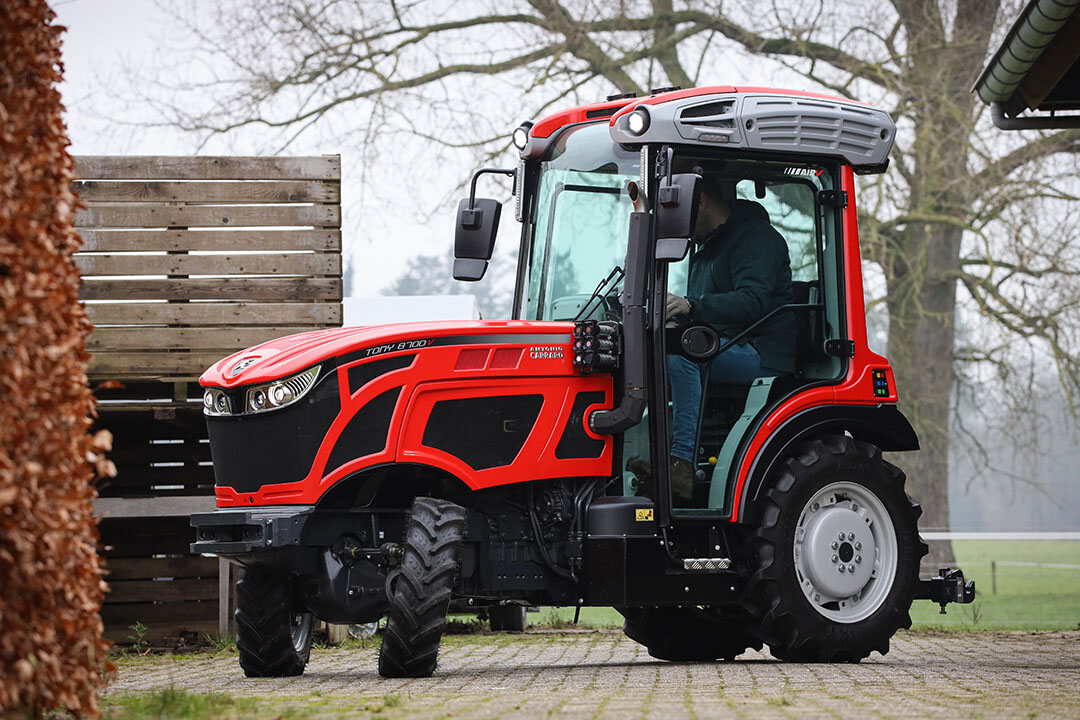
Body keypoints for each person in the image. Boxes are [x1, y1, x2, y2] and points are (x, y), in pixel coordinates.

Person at [664, 177, 795, 504]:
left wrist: (691, 305)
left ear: (702, 200)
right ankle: (659, 454)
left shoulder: (757, 239)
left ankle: (681, 463)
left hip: (763, 350)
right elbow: (703, 309)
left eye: (680, 210)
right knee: (654, 348)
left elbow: (752, 301)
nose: (677, 223)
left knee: (681, 355)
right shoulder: (707, 246)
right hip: (728, 340)